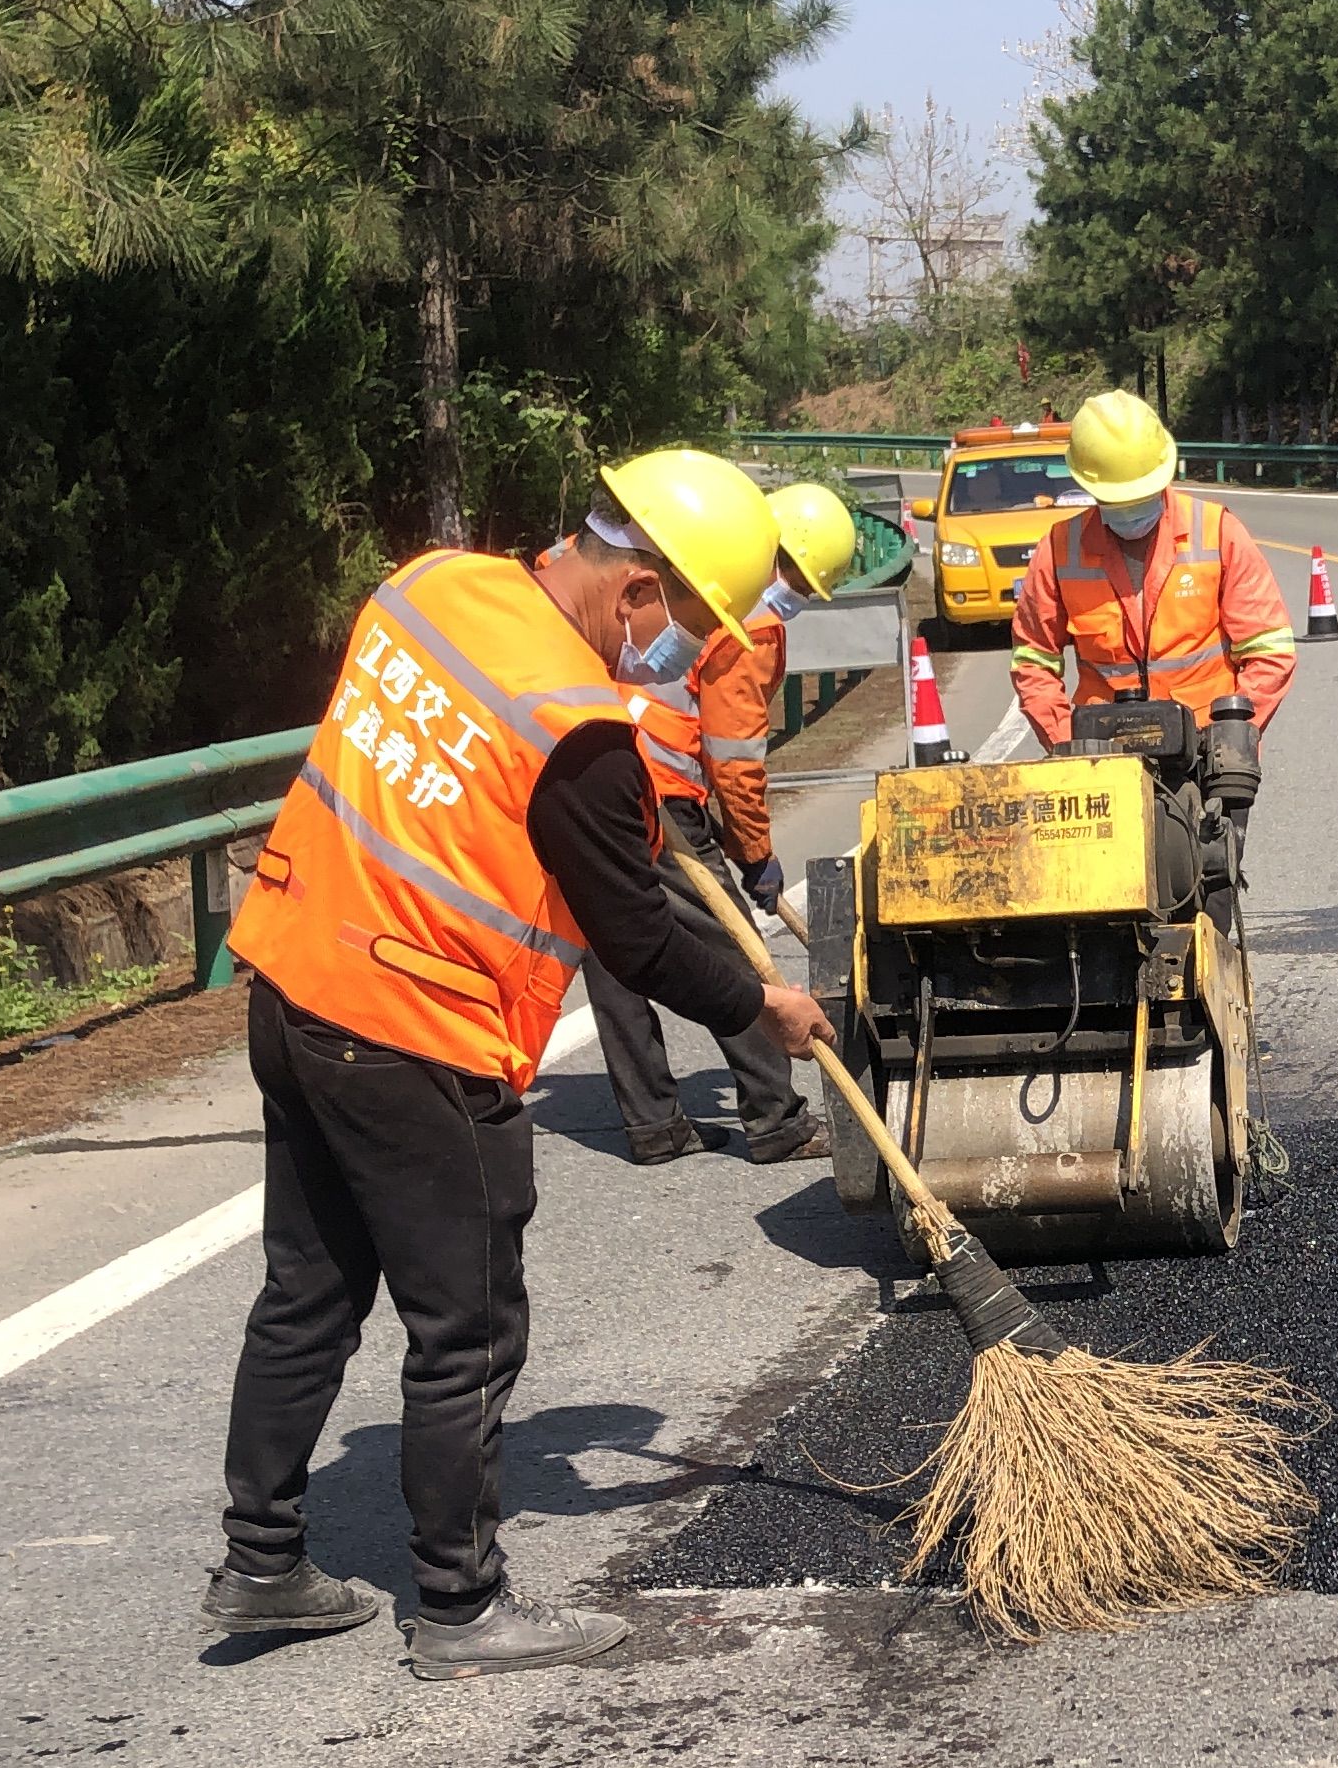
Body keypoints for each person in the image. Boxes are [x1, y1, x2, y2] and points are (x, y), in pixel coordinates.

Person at [202, 448, 839, 1681]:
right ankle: (459, 1606)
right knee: (469, 1327)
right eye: (692, 622)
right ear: (641, 590)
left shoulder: (430, 587)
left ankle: (264, 1562)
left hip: (291, 983)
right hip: (413, 1033)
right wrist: (761, 1006)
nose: (686, 651)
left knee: (309, 1293)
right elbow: (640, 935)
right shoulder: (579, 729)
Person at [580, 480, 859, 1166]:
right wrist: (754, 853)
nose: (790, 592)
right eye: (794, 577)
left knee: (608, 945)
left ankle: (652, 1122)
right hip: (660, 794)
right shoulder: (750, 622)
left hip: (607, 770)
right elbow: (735, 755)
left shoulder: (690, 578)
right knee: (729, 947)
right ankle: (776, 1118)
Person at [1007, 391, 1300, 752]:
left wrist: (1235, 733)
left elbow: (1270, 650)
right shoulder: (1059, 549)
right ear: (1088, 487)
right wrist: (1066, 743)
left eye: (1140, 496)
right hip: (1103, 754)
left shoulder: (1216, 532)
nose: (1130, 511)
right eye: (1117, 500)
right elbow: (1034, 660)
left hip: (1204, 748)